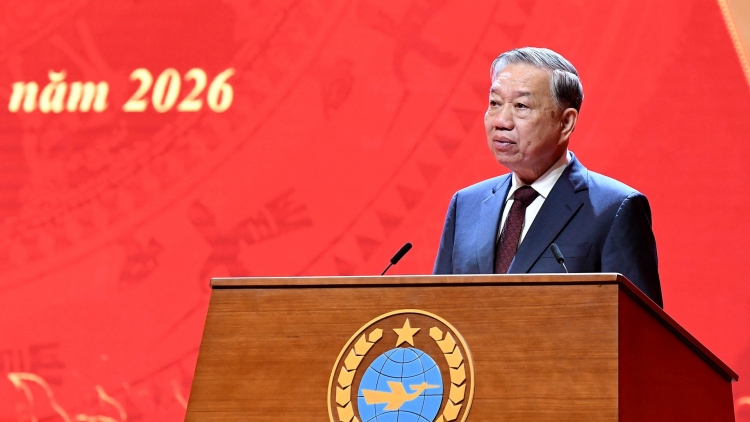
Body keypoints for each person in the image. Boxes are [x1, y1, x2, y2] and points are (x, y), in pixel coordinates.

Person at [433, 47, 663, 307]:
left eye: (521, 106)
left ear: (565, 123)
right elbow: (439, 312)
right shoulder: (466, 205)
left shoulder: (614, 210)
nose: (501, 121)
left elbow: (639, 326)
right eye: (495, 103)